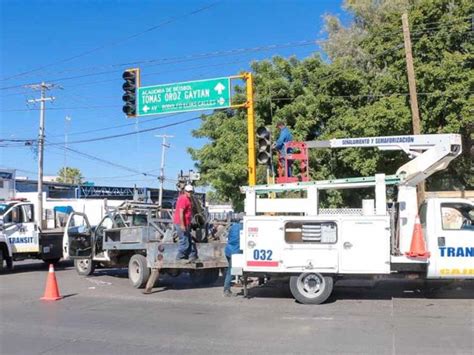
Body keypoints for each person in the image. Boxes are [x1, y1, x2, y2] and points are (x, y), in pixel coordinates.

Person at [173, 184, 198, 262]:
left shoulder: (188, 199)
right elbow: (181, 212)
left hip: (186, 223)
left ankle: (191, 257)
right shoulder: (183, 199)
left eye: (191, 192)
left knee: (189, 240)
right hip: (180, 223)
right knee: (184, 241)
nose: (190, 193)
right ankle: (179, 257)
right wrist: (182, 224)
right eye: (188, 191)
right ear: (185, 191)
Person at [223, 221, 242, 297]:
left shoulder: (233, 226)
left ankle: (235, 282)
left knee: (232, 270)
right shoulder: (243, 227)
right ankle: (226, 290)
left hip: (228, 250)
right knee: (231, 271)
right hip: (235, 252)